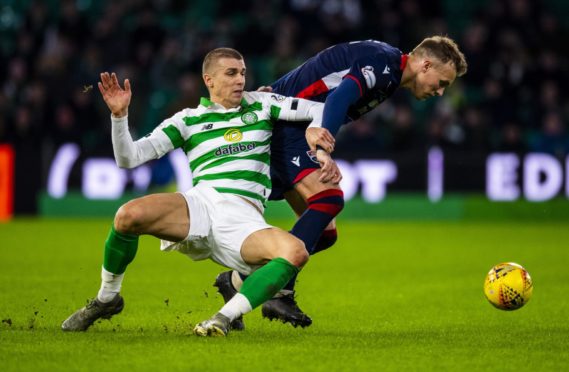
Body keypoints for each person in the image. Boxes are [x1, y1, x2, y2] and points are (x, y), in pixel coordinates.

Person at [61, 47, 341, 337]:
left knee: (295, 252)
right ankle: (107, 299)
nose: (240, 80)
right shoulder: (187, 120)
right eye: (231, 73)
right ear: (209, 79)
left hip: (244, 218)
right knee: (127, 215)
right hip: (201, 204)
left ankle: (223, 316)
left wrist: (315, 135)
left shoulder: (262, 104)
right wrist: (119, 117)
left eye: (243, 73)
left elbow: (319, 108)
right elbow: (128, 159)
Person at [214, 36, 468, 329]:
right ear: (425, 64)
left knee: (325, 233)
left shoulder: (388, 71)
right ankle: (280, 291)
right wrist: (321, 149)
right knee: (329, 199)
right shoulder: (383, 63)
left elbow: (315, 72)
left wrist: (271, 95)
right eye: (442, 82)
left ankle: (235, 280)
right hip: (289, 129)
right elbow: (338, 97)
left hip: (292, 124)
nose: (439, 92)